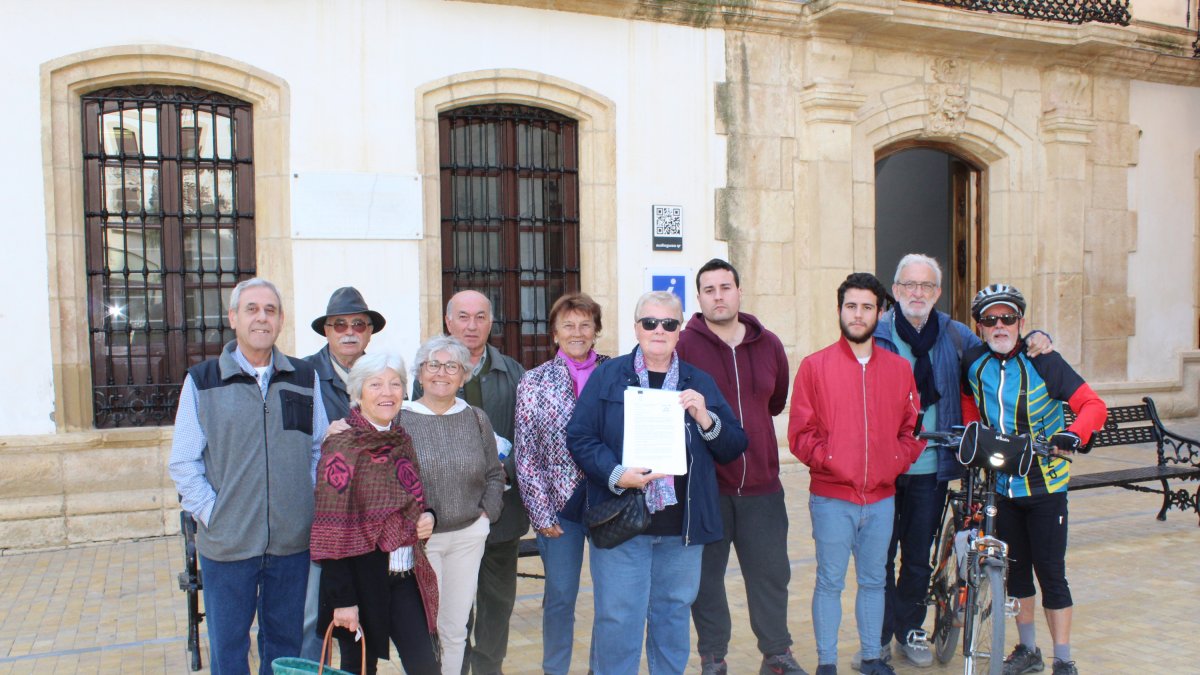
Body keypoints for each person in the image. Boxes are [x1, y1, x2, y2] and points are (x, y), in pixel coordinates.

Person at [867, 255, 1053, 669]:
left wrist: (1037, 336)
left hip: (933, 466)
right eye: (909, 285)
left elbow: (1001, 347)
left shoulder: (955, 336)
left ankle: (909, 628)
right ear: (895, 291)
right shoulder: (875, 334)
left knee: (918, 555)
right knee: (878, 556)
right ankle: (876, 636)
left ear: (937, 293)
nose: (918, 293)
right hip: (882, 466)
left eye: (927, 286)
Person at [566, 290, 748, 675]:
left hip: (682, 529)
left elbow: (733, 445)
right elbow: (580, 437)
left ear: (680, 330)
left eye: (669, 323)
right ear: (636, 328)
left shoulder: (699, 382)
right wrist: (618, 474)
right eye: (650, 322)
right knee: (618, 620)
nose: (659, 330)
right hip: (621, 521)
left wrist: (705, 418)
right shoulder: (609, 375)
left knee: (673, 618)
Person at [168, 277, 329, 675]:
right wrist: (213, 513)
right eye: (252, 309)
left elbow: (320, 449)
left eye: (270, 310)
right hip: (228, 546)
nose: (261, 318)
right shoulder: (202, 381)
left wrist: (302, 503)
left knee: (283, 645)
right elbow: (184, 462)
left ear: (281, 320)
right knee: (228, 648)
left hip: (291, 545)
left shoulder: (303, 377)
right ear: (233, 318)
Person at [959, 284, 1107, 675]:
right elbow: (968, 400)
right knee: (1016, 573)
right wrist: (974, 431)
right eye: (990, 320)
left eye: (1008, 318)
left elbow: (1093, 405)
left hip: (1045, 486)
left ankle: (1063, 658)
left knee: (1051, 573)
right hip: (1002, 485)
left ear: (1021, 323)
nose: (1000, 326)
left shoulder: (1044, 360)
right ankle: (1028, 651)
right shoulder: (973, 362)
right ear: (980, 328)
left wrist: (1074, 434)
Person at [787, 272, 925, 675]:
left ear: (880, 312)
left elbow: (912, 430)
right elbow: (800, 434)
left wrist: (891, 463)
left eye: (867, 307)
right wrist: (833, 461)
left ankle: (871, 657)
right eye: (851, 306)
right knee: (830, 582)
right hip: (832, 498)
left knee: (874, 583)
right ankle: (827, 662)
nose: (858, 314)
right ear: (839, 311)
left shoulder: (900, 370)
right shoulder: (815, 367)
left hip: (882, 498)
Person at [677, 259, 802, 675]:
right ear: (698, 298)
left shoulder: (769, 345)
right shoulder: (683, 347)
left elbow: (774, 401)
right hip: (708, 487)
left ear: (739, 291)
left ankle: (777, 655)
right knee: (706, 581)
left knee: (771, 575)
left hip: (763, 484)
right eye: (709, 289)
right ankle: (713, 657)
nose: (718, 296)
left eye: (725, 287)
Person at [310, 352, 439, 675]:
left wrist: (429, 517)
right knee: (359, 670)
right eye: (376, 384)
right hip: (359, 582)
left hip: (405, 576)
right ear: (357, 392)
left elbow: (411, 502)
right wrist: (342, 600)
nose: (387, 392)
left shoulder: (400, 439)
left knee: (426, 667)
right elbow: (330, 529)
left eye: (395, 384)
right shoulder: (342, 447)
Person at [428, 290, 527, 675]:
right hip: (447, 517)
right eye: (463, 317)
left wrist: (507, 469)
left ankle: (489, 669)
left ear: (491, 322)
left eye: (480, 317)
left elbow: (530, 437)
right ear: (448, 322)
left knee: (497, 604)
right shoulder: (428, 373)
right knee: (451, 607)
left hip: (501, 514)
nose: (472, 326)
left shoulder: (513, 373)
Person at [513, 293, 608, 675]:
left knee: (612, 599)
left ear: (596, 331)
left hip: (609, 500)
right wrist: (540, 512)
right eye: (568, 325)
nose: (577, 332)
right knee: (560, 597)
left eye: (585, 324)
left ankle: (601, 668)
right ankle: (556, 670)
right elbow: (525, 454)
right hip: (559, 509)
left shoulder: (616, 373)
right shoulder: (534, 382)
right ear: (554, 333)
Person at [403, 335, 506, 675]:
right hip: (421, 543)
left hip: (467, 538)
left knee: (455, 628)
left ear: (463, 376)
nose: (441, 373)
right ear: (420, 373)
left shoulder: (476, 418)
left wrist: (486, 516)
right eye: (433, 365)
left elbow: (494, 473)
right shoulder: (402, 420)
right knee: (421, 630)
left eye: (452, 366)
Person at [300, 286, 387, 661]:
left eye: (357, 324)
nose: (348, 331)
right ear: (326, 331)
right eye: (339, 325)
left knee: (358, 621)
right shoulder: (301, 376)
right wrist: (323, 436)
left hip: (370, 525)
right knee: (310, 623)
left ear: (369, 331)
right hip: (321, 518)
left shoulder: (386, 374)